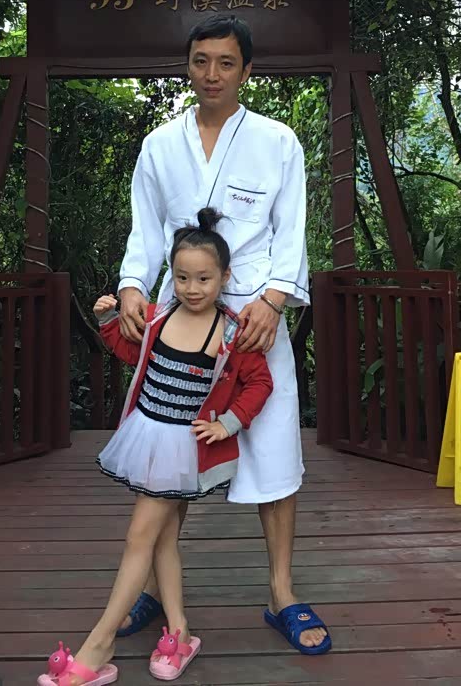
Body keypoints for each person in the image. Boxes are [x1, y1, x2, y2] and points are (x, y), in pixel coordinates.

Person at [116, 13, 331, 656]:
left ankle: (281, 591)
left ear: (246, 71)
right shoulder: (160, 145)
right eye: (201, 60)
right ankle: (153, 589)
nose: (212, 74)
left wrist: (276, 298)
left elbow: (291, 230)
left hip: (254, 315)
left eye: (226, 62)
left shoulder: (277, 141)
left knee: (274, 446)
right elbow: (144, 231)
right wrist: (132, 285)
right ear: (188, 66)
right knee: (169, 449)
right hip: (181, 318)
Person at [38, 208, 273, 686]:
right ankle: (180, 633)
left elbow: (259, 383)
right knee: (162, 539)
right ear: (172, 275)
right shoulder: (158, 316)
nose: (192, 288)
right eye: (182, 277)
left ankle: (99, 643)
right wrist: (109, 320)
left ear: (225, 278)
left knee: (139, 538)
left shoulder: (232, 332)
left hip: (181, 449)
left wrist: (228, 424)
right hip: (146, 434)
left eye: (204, 278)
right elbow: (134, 353)